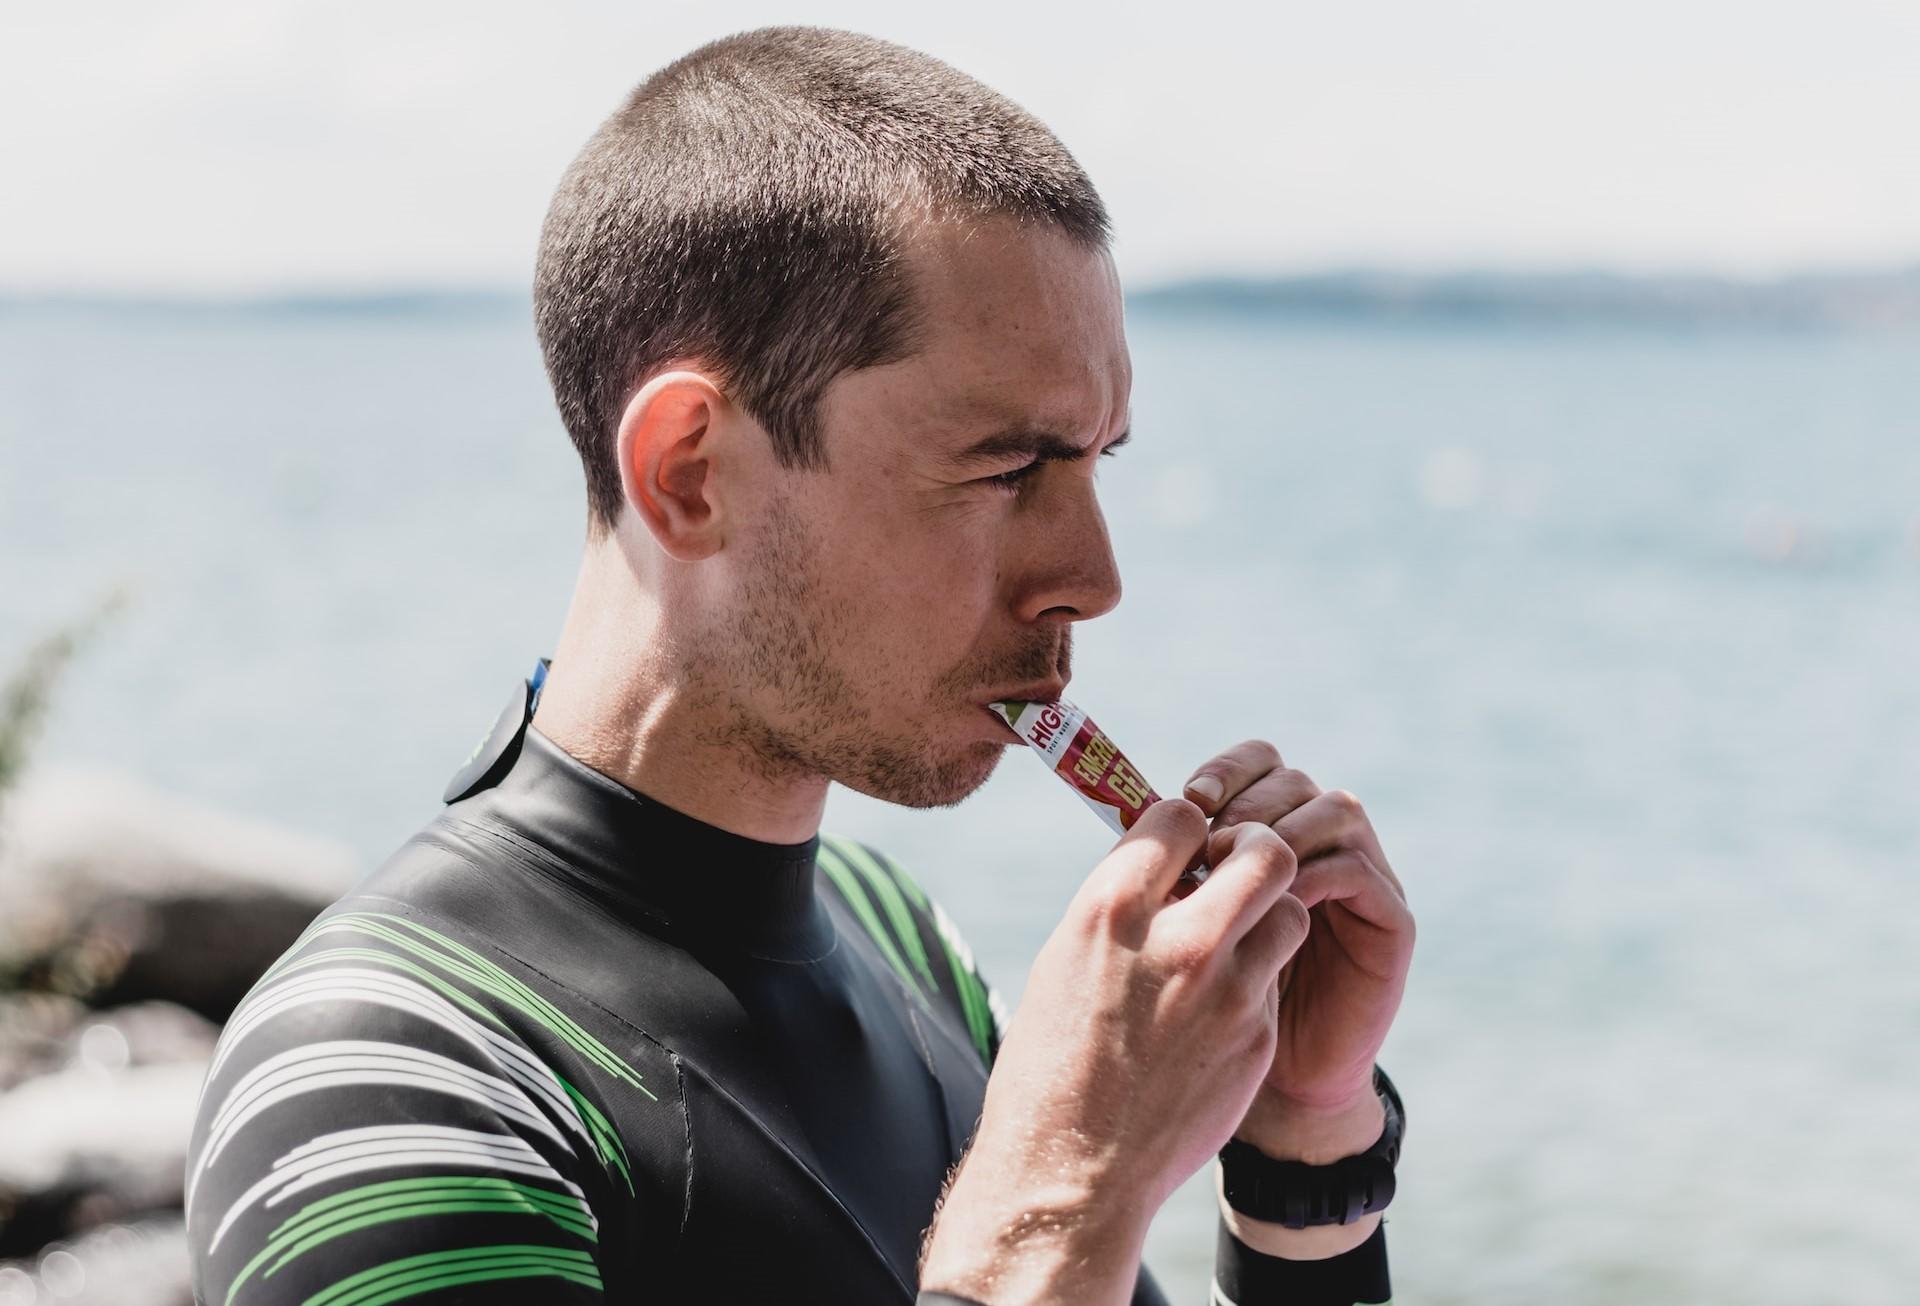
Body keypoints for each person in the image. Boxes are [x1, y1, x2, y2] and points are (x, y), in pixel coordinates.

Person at [185, 25, 1416, 1306]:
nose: (1095, 580)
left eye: (1098, 462)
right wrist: (1064, 1195)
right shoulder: (386, 1079)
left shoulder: (898, 936)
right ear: (689, 473)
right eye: (1008, 469)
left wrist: (1301, 1146)